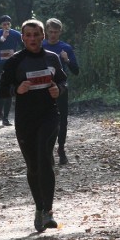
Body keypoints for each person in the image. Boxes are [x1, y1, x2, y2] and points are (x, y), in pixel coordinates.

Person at [0, 19, 67, 233]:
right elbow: (1, 90)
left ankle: (49, 212)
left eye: (37, 35)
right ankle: (39, 208)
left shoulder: (52, 58)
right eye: (28, 35)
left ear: (43, 36)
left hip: (49, 116)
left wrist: (59, 90)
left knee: (45, 158)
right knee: (33, 166)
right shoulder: (15, 61)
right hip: (26, 120)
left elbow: (63, 81)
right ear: (23, 38)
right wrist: (17, 90)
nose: (33, 39)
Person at [42, 18, 79, 165]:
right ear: (46, 31)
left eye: (56, 32)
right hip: (43, 88)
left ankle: (61, 150)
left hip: (61, 87)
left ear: (60, 32)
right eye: (50, 32)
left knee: (62, 120)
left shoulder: (66, 48)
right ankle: (48, 150)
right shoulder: (40, 46)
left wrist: (67, 60)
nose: (53, 35)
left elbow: (76, 71)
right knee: (45, 121)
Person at [0, 15, 22, 126]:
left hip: (12, 66)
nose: (6, 26)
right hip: (0, 66)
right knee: (0, 91)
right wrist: (2, 38)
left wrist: (18, 55)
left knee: (9, 91)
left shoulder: (16, 34)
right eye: (4, 24)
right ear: (1, 25)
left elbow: (25, 45)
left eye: (8, 24)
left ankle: (6, 118)